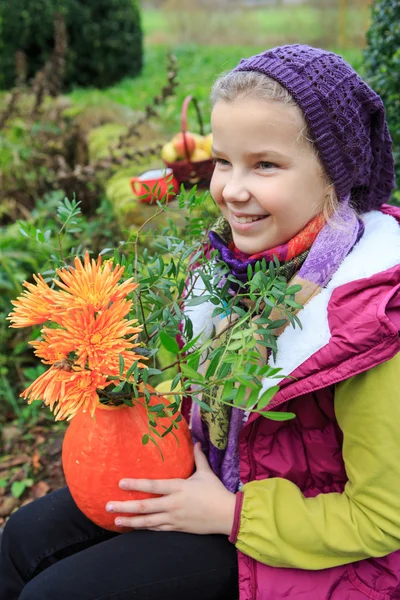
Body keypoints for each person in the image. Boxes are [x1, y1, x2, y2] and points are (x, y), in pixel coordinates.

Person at [1, 44, 400, 600]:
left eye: (265, 164)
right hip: (206, 476)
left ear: (336, 173)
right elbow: (190, 396)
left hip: (295, 546)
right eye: (222, 160)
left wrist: (231, 513)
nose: (232, 190)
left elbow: (383, 520)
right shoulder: (225, 267)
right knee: (21, 539)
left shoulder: (372, 321)